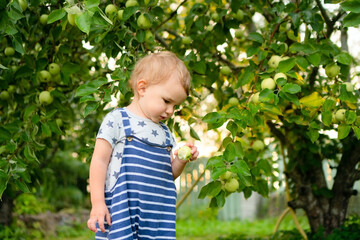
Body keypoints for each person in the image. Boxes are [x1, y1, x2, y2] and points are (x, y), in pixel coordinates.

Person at [87, 51, 199, 239]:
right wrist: (98, 203)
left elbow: (168, 174)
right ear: (142, 88)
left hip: (156, 216)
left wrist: (180, 160)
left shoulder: (165, 134)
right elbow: (99, 161)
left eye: (175, 106)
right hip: (122, 210)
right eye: (167, 101)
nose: (171, 111)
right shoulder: (118, 120)